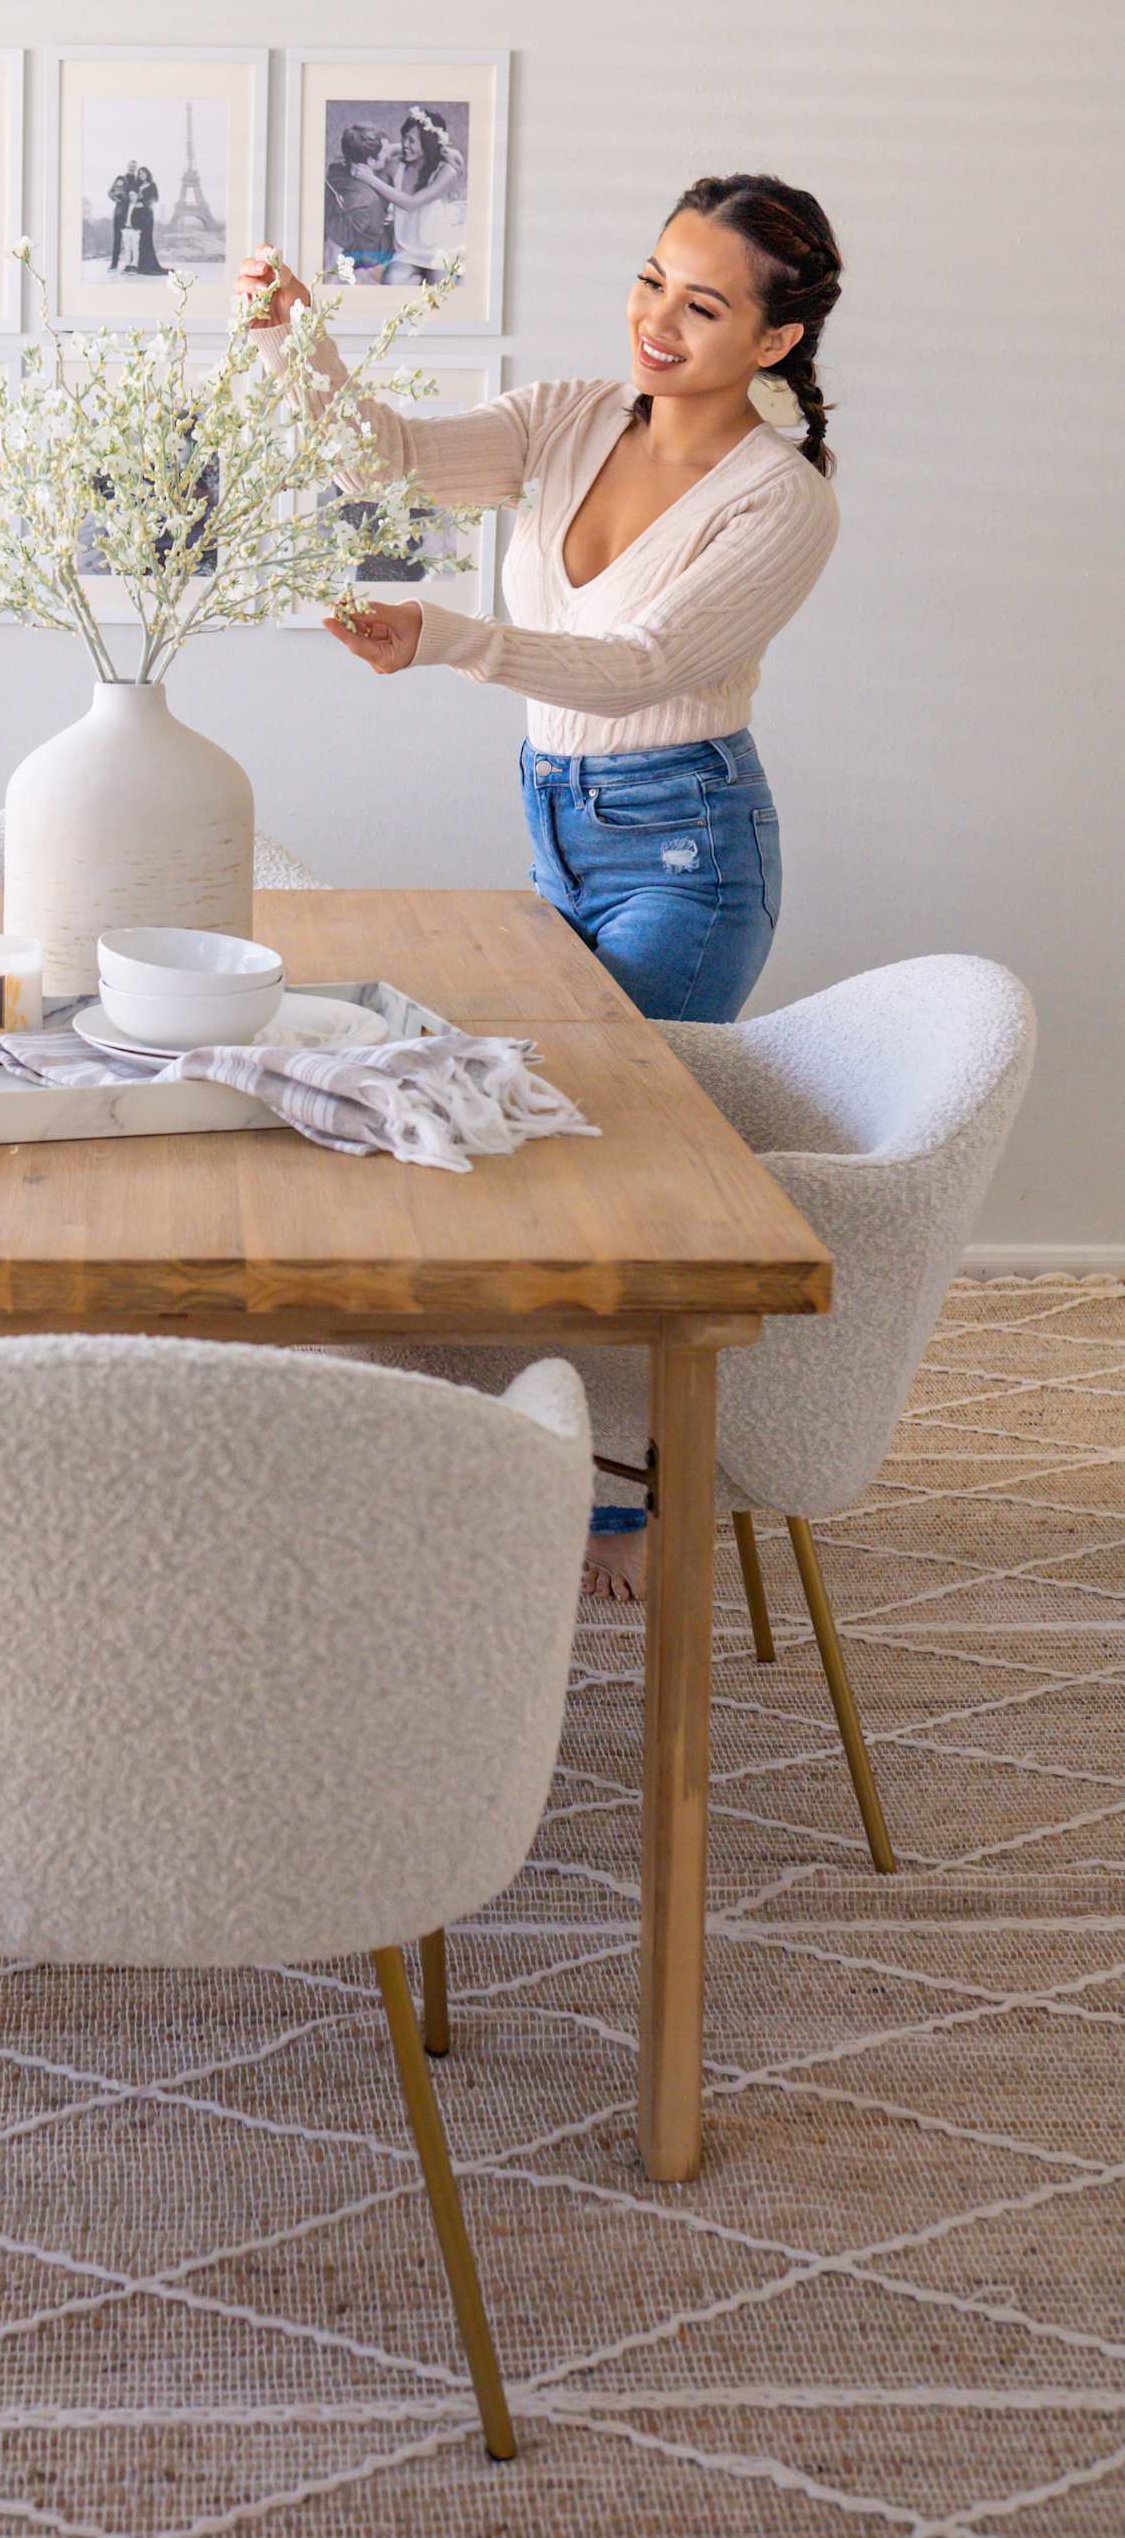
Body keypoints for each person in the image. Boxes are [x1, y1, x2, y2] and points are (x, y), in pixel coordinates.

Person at [241, 172, 844, 1602]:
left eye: (699, 307)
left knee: (578, 1167)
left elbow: (642, 669)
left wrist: (447, 637)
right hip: (559, 828)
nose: (655, 322)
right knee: (533, 1148)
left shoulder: (781, 502)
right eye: (649, 281)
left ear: (770, 340)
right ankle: (536, 1454)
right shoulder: (567, 415)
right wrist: (292, 342)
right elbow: (380, 456)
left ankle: (615, 1495)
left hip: (684, 854)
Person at [353, 106, 466, 284]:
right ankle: (418, 279)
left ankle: (425, 279)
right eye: (404, 138)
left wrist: (371, 179)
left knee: (443, 290)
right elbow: (381, 152)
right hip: (407, 250)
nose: (405, 144)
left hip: (438, 248)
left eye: (412, 141)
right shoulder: (397, 166)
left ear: (427, 143)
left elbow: (411, 203)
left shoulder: (445, 171)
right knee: (391, 282)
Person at [324, 121, 395, 278]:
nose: (389, 154)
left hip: (370, 227)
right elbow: (331, 252)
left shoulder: (339, 166)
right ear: (370, 161)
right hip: (373, 254)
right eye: (384, 152)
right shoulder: (361, 205)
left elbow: (389, 150)